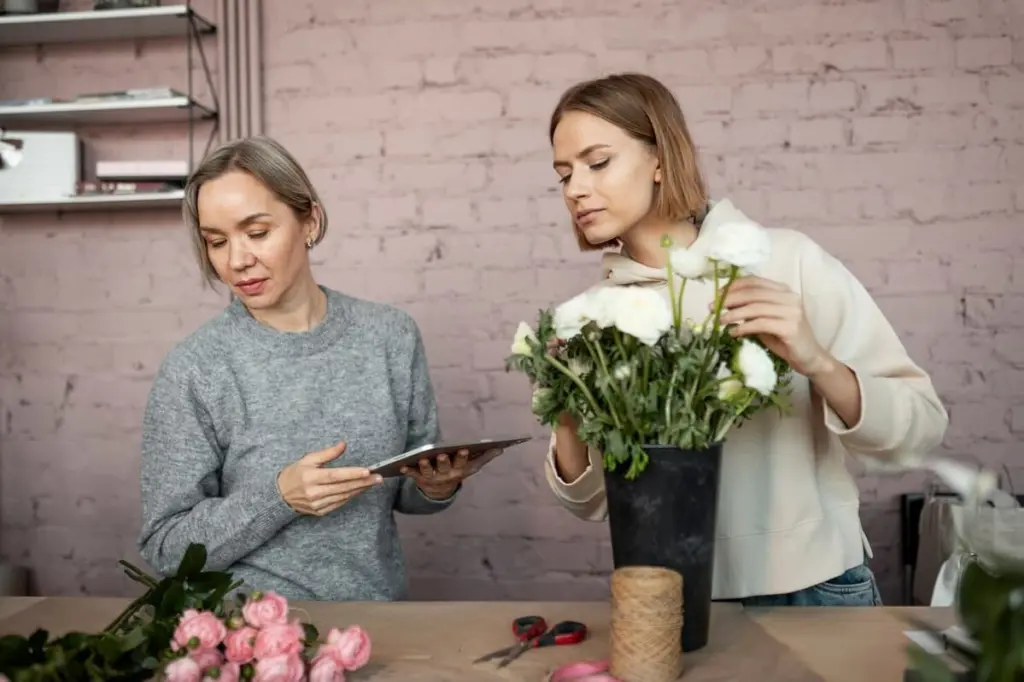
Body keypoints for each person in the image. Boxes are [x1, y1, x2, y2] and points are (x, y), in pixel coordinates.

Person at [540, 73, 949, 607]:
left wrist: (817, 361)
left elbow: (918, 430)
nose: (575, 189)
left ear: (661, 158)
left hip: (814, 590)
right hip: (665, 599)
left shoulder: (785, 263)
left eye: (598, 163)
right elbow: (590, 502)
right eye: (563, 174)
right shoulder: (594, 316)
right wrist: (566, 409)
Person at [137, 136, 489, 602]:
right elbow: (165, 545)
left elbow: (405, 493)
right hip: (247, 637)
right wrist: (277, 498)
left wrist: (436, 486)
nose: (237, 260)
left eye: (257, 233)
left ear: (310, 220)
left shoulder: (390, 336)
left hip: (376, 621)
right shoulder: (196, 368)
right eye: (216, 242)